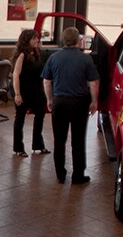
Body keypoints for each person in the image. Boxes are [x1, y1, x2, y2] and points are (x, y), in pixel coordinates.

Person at [41, 26, 100, 185]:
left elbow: (47, 81)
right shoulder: (86, 59)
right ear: (78, 41)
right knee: (78, 139)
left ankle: (60, 173)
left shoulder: (53, 57)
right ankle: (78, 175)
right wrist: (94, 101)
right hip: (79, 102)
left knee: (59, 140)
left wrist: (50, 99)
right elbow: (93, 83)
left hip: (60, 101)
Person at [10, 29, 48, 157]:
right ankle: (18, 148)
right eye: (34, 39)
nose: (37, 40)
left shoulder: (36, 53)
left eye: (37, 38)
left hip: (35, 89)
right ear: (27, 41)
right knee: (20, 118)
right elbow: (16, 75)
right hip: (23, 89)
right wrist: (17, 94)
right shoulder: (22, 55)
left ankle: (38, 144)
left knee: (40, 114)